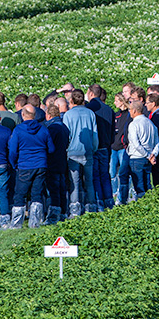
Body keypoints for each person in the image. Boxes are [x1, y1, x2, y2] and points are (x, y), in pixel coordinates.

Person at [7, 105, 55, 228]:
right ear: (35, 116)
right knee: (37, 194)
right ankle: (35, 222)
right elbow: (51, 149)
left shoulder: (18, 130)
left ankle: (17, 223)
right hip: (40, 165)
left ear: (23, 115)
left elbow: (12, 151)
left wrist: (14, 164)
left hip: (24, 165)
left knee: (20, 194)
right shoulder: (43, 129)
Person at [62, 89, 99, 217]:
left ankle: (74, 209)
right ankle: (91, 207)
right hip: (88, 150)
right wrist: (94, 148)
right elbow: (94, 134)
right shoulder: (90, 114)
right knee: (89, 181)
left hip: (72, 151)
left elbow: (67, 135)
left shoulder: (68, 115)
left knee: (75, 183)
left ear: (71, 100)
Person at [87, 84, 115, 212]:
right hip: (105, 146)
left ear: (91, 93)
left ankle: (99, 203)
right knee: (105, 174)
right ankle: (109, 201)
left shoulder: (88, 109)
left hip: (94, 147)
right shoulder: (109, 109)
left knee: (95, 176)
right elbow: (112, 131)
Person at [44, 98, 72, 223]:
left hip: (53, 161)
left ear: (48, 115)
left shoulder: (51, 128)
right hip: (62, 161)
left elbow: (48, 147)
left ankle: (54, 215)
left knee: (54, 189)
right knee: (62, 188)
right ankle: (63, 212)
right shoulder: (64, 127)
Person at [124, 100, 159, 200]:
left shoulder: (134, 124)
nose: (129, 112)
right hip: (148, 159)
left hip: (137, 158)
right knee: (147, 185)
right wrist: (153, 155)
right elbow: (157, 142)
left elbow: (136, 144)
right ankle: (150, 204)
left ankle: (142, 206)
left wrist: (148, 155)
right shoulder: (150, 123)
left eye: (130, 109)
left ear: (135, 111)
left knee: (139, 188)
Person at [111, 93, 132, 205]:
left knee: (123, 172)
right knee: (112, 172)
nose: (115, 103)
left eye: (116, 101)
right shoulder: (116, 115)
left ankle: (124, 194)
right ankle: (115, 192)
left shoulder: (128, 115)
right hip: (113, 147)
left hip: (122, 147)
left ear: (122, 101)